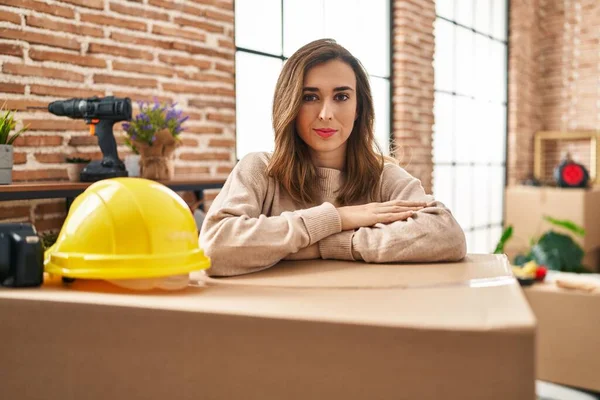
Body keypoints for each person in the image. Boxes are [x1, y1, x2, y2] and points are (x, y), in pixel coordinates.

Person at [200, 39, 466, 277]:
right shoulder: (258, 169)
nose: (326, 113)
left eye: (341, 96)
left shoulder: (384, 177)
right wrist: (338, 218)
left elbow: (447, 234)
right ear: (289, 104)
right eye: (310, 97)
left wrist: (326, 245)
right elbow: (214, 249)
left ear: (358, 107)